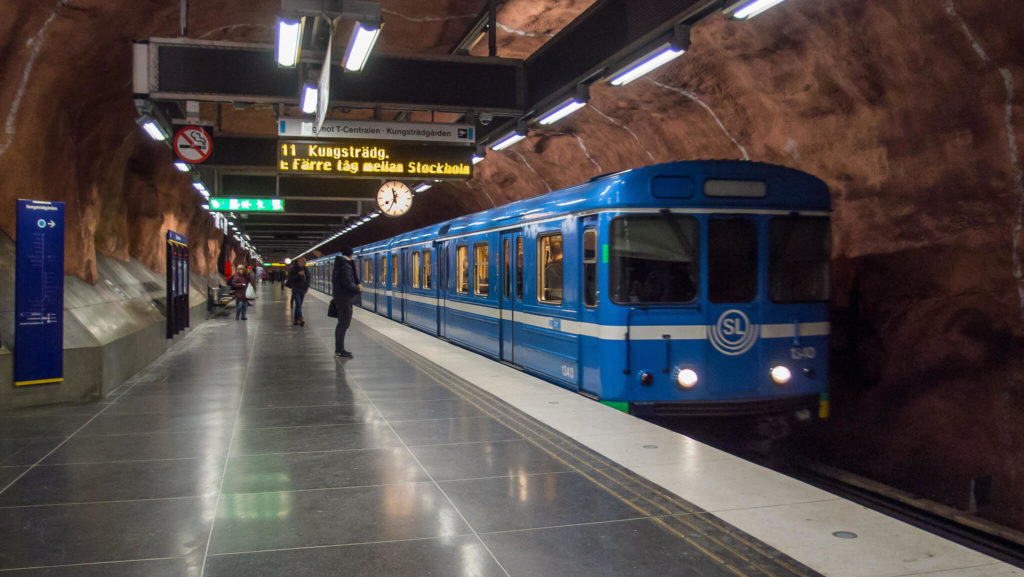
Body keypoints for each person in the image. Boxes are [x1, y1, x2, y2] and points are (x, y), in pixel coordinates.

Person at [332, 247, 362, 358]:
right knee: (343, 324)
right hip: (344, 300)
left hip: (341, 299)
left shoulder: (340, 264)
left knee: (342, 324)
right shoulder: (345, 265)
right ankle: (339, 350)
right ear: (351, 254)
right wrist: (358, 288)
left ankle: (340, 349)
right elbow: (347, 283)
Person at [288, 257, 310, 325]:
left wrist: (306, 287)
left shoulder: (306, 269)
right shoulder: (294, 269)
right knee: (298, 304)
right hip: (296, 289)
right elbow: (290, 278)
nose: (305, 263)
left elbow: (308, 278)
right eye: (303, 261)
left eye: (305, 261)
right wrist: (298, 274)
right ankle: (300, 317)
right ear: (299, 262)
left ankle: (295, 319)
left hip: (303, 289)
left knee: (299, 305)